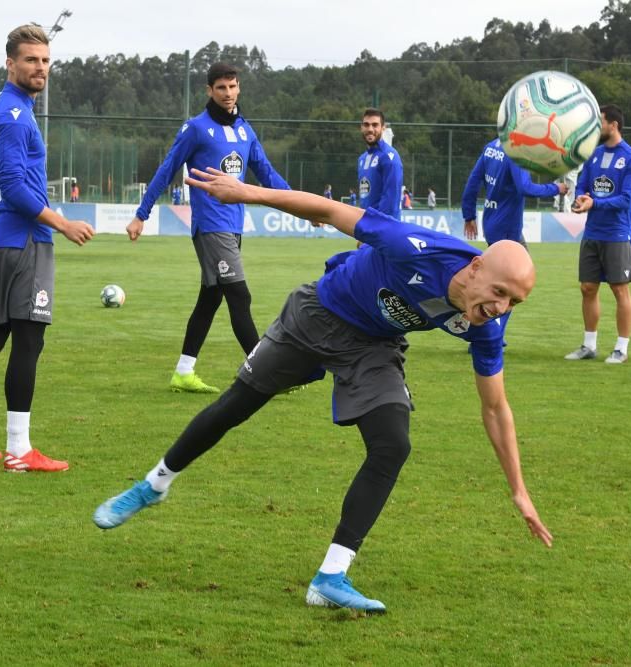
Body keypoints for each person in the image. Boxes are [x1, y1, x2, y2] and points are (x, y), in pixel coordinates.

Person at [94, 166, 553, 615]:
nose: (500, 308)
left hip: (374, 346)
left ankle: (330, 577)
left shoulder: (488, 327)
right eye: (498, 292)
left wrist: (518, 489)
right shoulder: (417, 248)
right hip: (318, 314)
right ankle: (154, 484)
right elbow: (331, 211)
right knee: (237, 405)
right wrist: (245, 193)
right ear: (475, 268)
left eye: (513, 301)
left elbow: (495, 407)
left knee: (392, 444)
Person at [0, 24, 94, 470]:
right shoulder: (14, 115)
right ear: (10, 63)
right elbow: (14, 185)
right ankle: (19, 450)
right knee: (28, 341)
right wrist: (62, 222)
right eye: (31, 60)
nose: (41, 68)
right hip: (24, 239)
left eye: (46, 60)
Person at [127, 62, 291, 394]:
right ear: (209, 91)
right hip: (211, 226)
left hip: (233, 226)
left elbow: (268, 174)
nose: (228, 94)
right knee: (239, 295)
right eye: (221, 88)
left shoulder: (245, 130)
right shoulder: (196, 129)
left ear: (239, 87)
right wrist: (141, 214)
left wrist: (301, 205)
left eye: (232, 87)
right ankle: (265, 372)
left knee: (211, 298)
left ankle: (183, 372)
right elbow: (167, 169)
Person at [564, 104, 631, 365]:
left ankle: (621, 348)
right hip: (592, 233)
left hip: (617, 234)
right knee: (587, 288)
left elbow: (626, 199)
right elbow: (583, 186)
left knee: (620, 291)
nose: (596, 128)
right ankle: (589, 345)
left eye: (600, 122)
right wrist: (580, 200)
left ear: (614, 125)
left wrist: (594, 204)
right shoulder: (593, 155)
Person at [461, 138, 568, 247]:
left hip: (492, 225)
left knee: (511, 262)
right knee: (522, 264)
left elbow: (472, 183)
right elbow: (526, 188)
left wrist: (469, 216)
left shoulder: (491, 146)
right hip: (507, 231)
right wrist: (555, 188)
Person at [357, 108, 403, 219]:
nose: (370, 129)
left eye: (375, 125)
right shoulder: (362, 159)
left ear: (383, 128)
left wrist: (379, 228)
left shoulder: (389, 157)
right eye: (366, 125)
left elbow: (391, 200)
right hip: (366, 228)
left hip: (383, 230)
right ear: (361, 128)